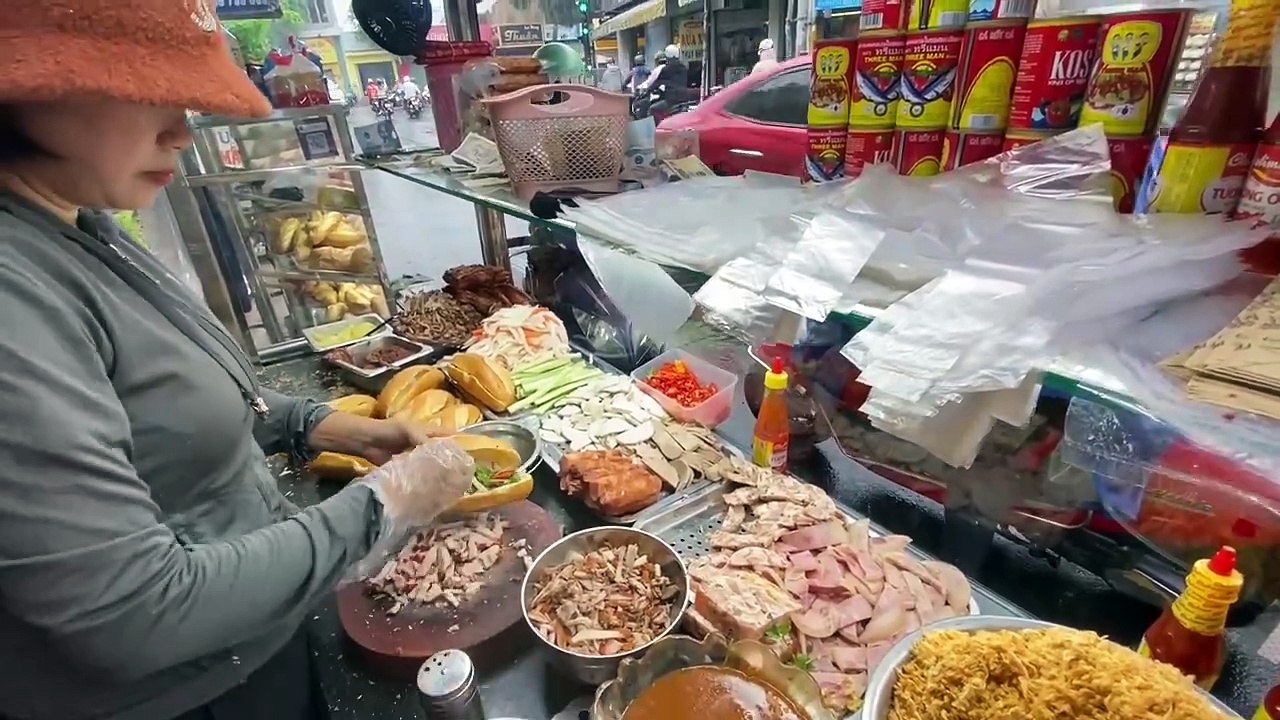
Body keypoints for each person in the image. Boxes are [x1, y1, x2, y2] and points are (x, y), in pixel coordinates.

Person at [0, 2, 475, 719]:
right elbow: (133, 614)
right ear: (30, 88)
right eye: (151, 96)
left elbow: (169, 409)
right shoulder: (13, 293)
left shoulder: (79, 220)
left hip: (255, 644)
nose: (182, 131)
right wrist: (387, 502)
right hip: (184, 697)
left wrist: (331, 427)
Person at [639, 44, 691, 116]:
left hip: (671, 100)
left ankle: (656, 127)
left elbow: (656, 83)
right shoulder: (684, 68)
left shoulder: (666, 70)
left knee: (652, 109)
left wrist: (647, 90)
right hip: (684, 98)